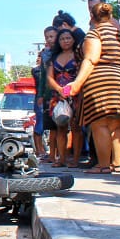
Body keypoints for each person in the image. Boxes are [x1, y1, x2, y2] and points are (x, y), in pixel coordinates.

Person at [63, 2, 120, 174]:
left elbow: (91, 59)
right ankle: (118, 163)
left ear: (92, 17)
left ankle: (103, 165)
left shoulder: (95, 33)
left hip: (100, 78)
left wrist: (77, 83)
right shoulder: (119, 35)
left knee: (100, 123)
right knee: (117, 123)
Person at [46, 28, 78, 167]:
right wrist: (59, 89)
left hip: (76, 94)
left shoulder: (78, 56)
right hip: (58, 95)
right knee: (60, 127)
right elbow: (49, 77)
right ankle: (62, 158)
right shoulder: (53, 57)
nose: (65, 41)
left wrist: (72, 90)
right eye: (62, 39)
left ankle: (75, 159)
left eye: (68, 38)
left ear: (73, 39)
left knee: (76, 128)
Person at [34, 26, 58, 159]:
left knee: (64, 127)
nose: (49, 39)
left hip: (63, 92)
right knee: (50, 127)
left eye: (52, 36)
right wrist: (41, 95)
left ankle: (63, 154)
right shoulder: (45, 54)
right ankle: (51, 155)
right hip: (49, 95)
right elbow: (43, 76)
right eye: (47, 37)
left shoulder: (62, 50)